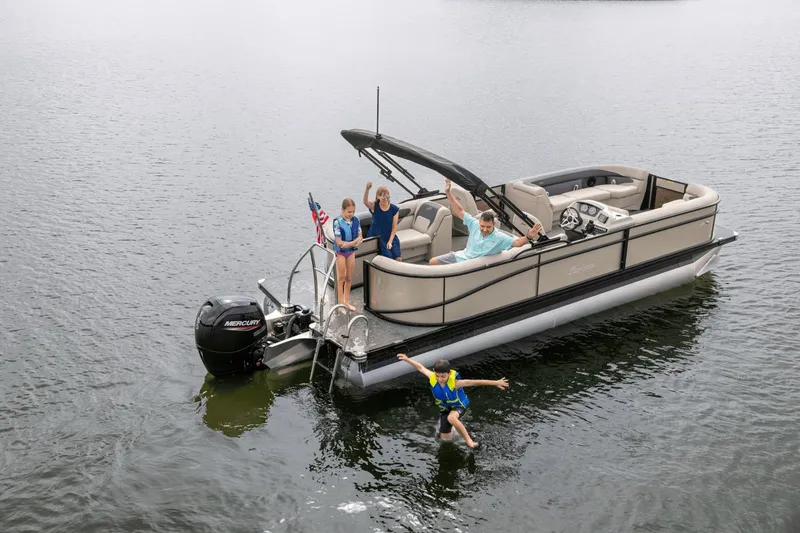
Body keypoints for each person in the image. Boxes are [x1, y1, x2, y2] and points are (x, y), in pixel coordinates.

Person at [397, 353, 509, 449]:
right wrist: (407, 359)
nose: (440, 379)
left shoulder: (455, 383)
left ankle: (469, 441)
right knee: (445, 439)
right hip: (445, 408)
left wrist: (496, 383)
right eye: (437, 376)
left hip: (459, 405)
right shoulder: (432, 377)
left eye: (443, 377)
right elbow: (420, 368)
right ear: (434, 372)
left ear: (449, 374)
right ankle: (454, 427)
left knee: (451, 418)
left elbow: (476, 382)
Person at [430, 179, 543, 265]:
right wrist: (448, 193)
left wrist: (529, 236)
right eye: (482, 226)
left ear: (494, 225)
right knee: (432, 262)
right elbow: (460, 211)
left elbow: (517, 243)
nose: (484, 229)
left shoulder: (500, 237)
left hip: (470, 265)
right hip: (461, 256)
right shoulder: (474, 224)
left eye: (488, 227)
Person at [333, 198, 363, 311]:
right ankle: (340, 303)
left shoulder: (356, 220)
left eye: (353, 212)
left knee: (349, 277)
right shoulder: (337, 222)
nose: (351, 214)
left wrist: (356, 241)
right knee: (341, 277)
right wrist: (354, 242)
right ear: (343, 210)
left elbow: (360, 235)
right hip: (341, 253)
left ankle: (346, 301)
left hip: (351, 253)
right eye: (349, 212)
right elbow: (340, 243)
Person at [363, 181, 402, 261]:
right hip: (378, 237)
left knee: (398, 258)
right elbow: (365, 202)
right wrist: (367, 189)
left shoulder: (394, 209)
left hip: (390, 236)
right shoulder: (375, 206)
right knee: (389, 258)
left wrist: (390, 242)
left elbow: (394, 228)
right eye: (383, 198)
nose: (386, 199)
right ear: (378, 197)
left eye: (388, 197)